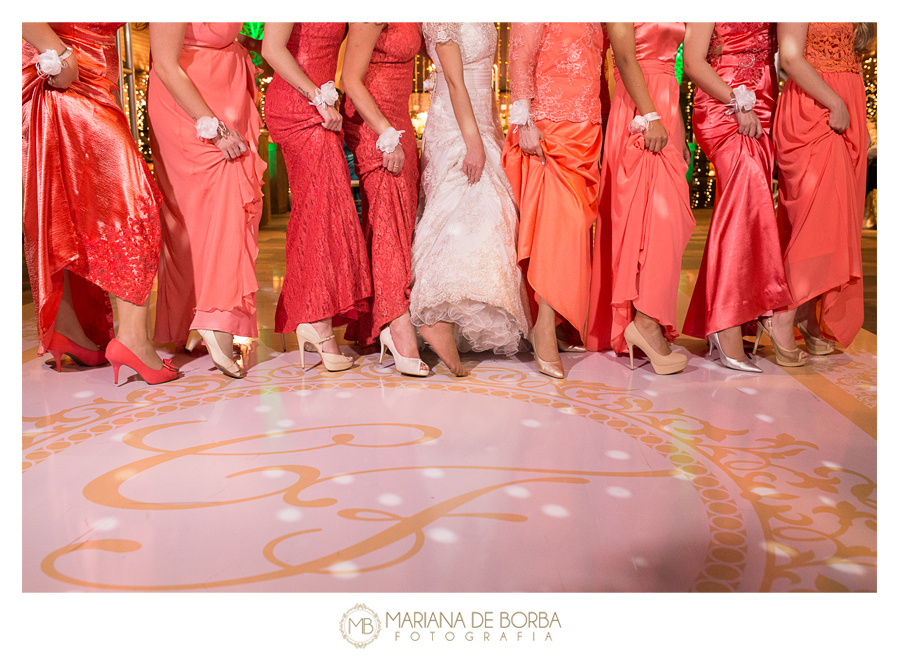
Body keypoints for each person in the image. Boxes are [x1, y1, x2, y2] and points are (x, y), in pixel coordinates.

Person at [22, 22, 177, 385]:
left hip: (93, 82)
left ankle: (70, 332)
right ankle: (134, 341)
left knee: (71, 213)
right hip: (59, 78)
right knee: (135, 204)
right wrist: (56, 54)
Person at [409, 22, 531, 376]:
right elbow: (454, 80)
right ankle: (437, 316)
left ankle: (453, 323)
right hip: (457, 125)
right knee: (473, 208)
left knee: (485, 214)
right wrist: (473, 142)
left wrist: (489, 130)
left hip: (484, 120)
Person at [149, 22, 266, 378]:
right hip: (190, 109)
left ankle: (198, 317)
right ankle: (216, 320)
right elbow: (167, 65)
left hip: (227, 97)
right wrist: (212, 126)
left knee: (215, 215)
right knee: (207, 215)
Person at [680, 22, 792, 373]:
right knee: (745, 199)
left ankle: (742, 311)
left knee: (754, 208)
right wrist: (736, 100)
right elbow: (693, 63)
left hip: (764, 103)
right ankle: (726, 322)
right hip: (724, 104)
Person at [262, 22, 372, 372]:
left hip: (320, 105)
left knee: (325, 209)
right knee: (320, 210)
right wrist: (319, 97)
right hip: (299, 106)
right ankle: (316, 320)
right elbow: (271, 49)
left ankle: (313, 314)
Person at [586, 22, 693, 375]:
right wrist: (650, 117)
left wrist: (678, 126)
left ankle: (648, 319)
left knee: (666, 220)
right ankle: (644, 323)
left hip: (667, 105)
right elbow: (626, 57)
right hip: (639, 107)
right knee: (658, 221)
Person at [501, 22, 607, 379]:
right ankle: (543, 326)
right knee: (559, 229)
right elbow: (519, 57)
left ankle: (556, 320)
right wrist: (524, 120)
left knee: (574, 232)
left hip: (587, 128)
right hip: (549, 126)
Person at [766, 22, 874, 362]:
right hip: (817, 107)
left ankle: (807, 315)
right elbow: (791, 57)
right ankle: (781, 314)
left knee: (838, 220)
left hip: (845, 104)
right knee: (822, 219)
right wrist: (836, 102)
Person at [341, 22, 428, 376]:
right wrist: (385, 132)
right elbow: (350, 79)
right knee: (391, 212)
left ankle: (371, 322)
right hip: (374, 119)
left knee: (392, 218)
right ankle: (396, 322)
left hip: (398, 114)